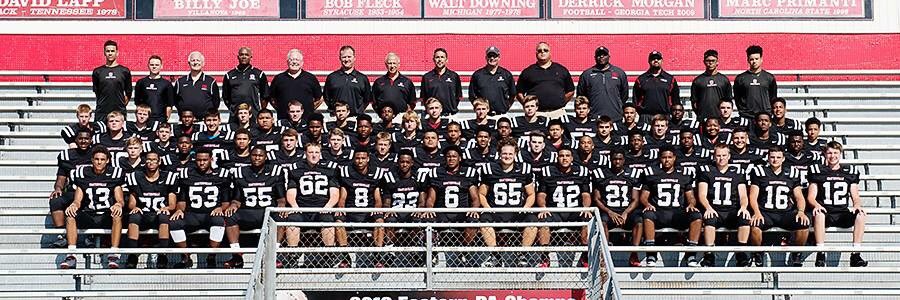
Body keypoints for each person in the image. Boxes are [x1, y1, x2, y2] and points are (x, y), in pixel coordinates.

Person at [60, 146, 125, 269]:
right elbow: (77, 200)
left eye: (102, 159)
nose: (99, 162)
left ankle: (114, 254)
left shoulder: (114, 174)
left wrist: (118, 204)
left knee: (117, 214)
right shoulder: (83, 174)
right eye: (96, 159)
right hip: (89, 213)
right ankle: (71, 254)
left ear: (108, 160)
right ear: (92, 160)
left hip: (106, 214)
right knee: (70, 214)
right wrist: (74, 205)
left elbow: (120, 200)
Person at [223, 146, 288, 269]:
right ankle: (237, 256)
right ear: (250, 156)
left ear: (266, 157)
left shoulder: (275, 171)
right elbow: (237, 198)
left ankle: (273, 255)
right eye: (254, 155)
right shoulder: (240, 172)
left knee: (280, 216)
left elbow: (280, 199)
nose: (257, 158)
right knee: (230, 216)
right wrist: (233, 204)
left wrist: (281, 205)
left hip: (267, 212)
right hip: (248, 211)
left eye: (260, 156)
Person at [807, 141, 868, 267]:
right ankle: (820, 253)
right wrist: (817, 205)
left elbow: (855, 195)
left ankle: (855, 254)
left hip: (842, 213)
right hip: (826, 213)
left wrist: (857, 205)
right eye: (829, 153)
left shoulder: (849, 172)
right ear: (824, 154)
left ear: (840, 154)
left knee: (861, 215)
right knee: (819, 214)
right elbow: (811, 197)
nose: (832, 156)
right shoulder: (817, 171)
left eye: (835, 153)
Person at [479, 138, 538, 267]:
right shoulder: (490, 169)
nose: (507, 156)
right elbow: (481, 194)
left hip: (517, 212)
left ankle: (523, 254)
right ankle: (494, 255)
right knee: (484, 219)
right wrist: (488, 208)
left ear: (515, 154)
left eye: (510, 154)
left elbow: (531, 194)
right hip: (497, 211)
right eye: (504, 153)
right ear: (499, 154)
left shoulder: (524, 169)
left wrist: (526, 207)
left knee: (533, 220)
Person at [640, 146, 703, 267]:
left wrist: (691, 204)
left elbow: (690, 196)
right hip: (659, 212)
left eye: (669, 157)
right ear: (660, 159)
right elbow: (643, 197)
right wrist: (647, 204)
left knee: (696, 216)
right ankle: (651, 253)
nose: (667, 160)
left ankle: (690, 253)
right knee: (647, 214)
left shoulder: (683, 175)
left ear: (674, 158)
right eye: (664, 157)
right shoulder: (652, 174)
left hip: (677, 213)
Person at [748, 146, 809, 267]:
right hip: (765, 212)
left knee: (804, 223)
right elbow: (753, 196)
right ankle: (757, 252)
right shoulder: (759, 172)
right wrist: (756, 212)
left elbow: (799, 197)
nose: (775, 160)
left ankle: (796, 253)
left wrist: (801, 211)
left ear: (783, 159)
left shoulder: (792, 173)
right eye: (772, 157)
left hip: (785, 213)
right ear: (768, 158)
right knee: (754, 225)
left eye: (778, 157)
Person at [171, 148, 231, 268]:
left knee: (219, 221)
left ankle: (211, 256)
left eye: (205, 160)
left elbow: (226, 201)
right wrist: (179, 209)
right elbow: (182, 198)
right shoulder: (187, 174)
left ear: (211, 159)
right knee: (174, 223)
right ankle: (186, 256)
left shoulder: (221, 175)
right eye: (199, 160)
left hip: (211, 214)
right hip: (192, 213)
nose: (202, 163)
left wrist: (221, 208)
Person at [283, 143, 340, 268]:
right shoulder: (296, 169)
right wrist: (294, 206)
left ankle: (329, 255)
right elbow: (291, 192)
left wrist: (328, 207)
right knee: (293, 219)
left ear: (320, 154)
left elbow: (335, 193)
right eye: (311, 152)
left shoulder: (329, 169)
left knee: (327, 219)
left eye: (316, 152)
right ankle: (292, 255)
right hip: (302, 208)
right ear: (305, 153)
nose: (314, 155)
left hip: (322, 208)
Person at [423, 146, 481, 267]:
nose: (451, 159)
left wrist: (474, 208)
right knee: (427, 219)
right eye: (448, 156)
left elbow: (475, 197)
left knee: (473, 220)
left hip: (461, 213)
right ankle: (432, 253)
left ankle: (464, 250)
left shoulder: (468, 173)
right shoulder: (437, 173)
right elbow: (431, 198)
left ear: (460, 158)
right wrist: (429, 208)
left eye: (454, 156)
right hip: (442, 212)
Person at [696, 144, 752, 267]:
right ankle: (709, 254)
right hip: (715, 209)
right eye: (718, 155)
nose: (721, 158)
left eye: (724, 155)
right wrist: (708, 207)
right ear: (714, 156)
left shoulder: (737, 172)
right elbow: (702, 194)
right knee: (709, 218)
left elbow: (743, 195)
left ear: (729, 156)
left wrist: (743, 207)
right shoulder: (707, 171)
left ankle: (741, 254)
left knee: (744, 217)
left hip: (732, 210)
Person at [536, 147, 593, 267]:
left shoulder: (581, 171)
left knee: (586, 219)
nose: (564, 158)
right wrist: (543, 207)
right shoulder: (548, 171)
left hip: (574, 211)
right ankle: (545, 256)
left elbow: (586, 194)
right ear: (557, 158)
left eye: (567, 156)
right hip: (555, 211)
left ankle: (585, 255)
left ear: (572, 158)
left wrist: (586, 207)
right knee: (543, 220)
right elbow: (541, 194)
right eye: (561, 156)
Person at [123, 151, 178, 269]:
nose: (151, 162)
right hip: (144, 213)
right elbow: (132, 202)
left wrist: (167, 208)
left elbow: (172, 204)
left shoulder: (168, 177)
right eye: (148, 159)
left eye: (154, 160)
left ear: (159, 162)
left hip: (158, 213)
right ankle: (132, 255)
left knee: (164, 216)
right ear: (145, 161)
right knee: (134, 216)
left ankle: (162, 255)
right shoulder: (136, 176)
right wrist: (134, 207)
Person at [335, 149, 389, 267]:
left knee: (380, 221)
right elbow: (342, 197)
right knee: (338, 222)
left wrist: (376, 209)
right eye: (358, 158)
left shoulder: (375, 174)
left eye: (363, 158)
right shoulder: (347, 173)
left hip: (367, 212)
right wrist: (341, 209)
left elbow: (378, 198)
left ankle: (377, 256)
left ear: (368, 159)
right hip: (351, 211)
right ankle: (345, 257)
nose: (360, 161)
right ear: (354, 159)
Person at [593, 148, 642, 267]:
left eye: (620, 159)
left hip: (626, 211)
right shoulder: (601, 174)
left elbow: (636, 199)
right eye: (615, 159)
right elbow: (596, 199)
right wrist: (610, 212)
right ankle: (604, 254)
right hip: (608, 210)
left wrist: (626, 212)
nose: (617, 161)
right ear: (610, 160)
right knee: (602, 221)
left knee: (639, 221)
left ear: (624, 160)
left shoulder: (633, 174)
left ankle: (634, 253)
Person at [49, 129, 94, 235]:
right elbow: (61, 177)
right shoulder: (67, 156)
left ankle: (90, 236)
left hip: (92, 192)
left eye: (86, 139)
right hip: (73, 190)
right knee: (56, 200)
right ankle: (62, 234)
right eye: (81, 138)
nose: (83, 141)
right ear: (76, 140)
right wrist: (58, 188)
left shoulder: (96, 154)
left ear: (91, 140)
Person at [517, 42, 575, 119]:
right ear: (536, 53)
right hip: (536, 114)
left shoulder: (561, 70)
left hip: (558, 113)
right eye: (539, 50)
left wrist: (562, 101)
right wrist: (528, 104)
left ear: (550, 53)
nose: (542, 52)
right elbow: (518, 92)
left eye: (545, 50)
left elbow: (571, 91)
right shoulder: (528, 71)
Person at [577, 46, 628, 121]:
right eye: (599, 55)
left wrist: (617, 106)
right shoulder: (587, 74)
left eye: (604, 54)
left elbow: (624, 95)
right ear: (594, 57)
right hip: (593, 117)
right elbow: (581, 97)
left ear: (609, 56)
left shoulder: (619, 73)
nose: (601, 57)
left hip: (615, 117)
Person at [268, 49, 322, 120]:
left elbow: (319, 98)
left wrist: (309, 109)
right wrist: (281, 109)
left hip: (306, 121)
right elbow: (272, 99)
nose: (294, 62)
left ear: (302, 62)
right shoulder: (279, 78)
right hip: (284, 120)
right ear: (287, 62)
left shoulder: (311, 78)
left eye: (297, 59)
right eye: (291, 59)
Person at [223, 47, 269, 124]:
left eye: (246, 55)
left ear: (251, 57)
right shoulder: (229, 75)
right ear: (238, 57)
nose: (244, 57)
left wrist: (259, 110)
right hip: (235, 115)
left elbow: (265, 95)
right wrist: (233, 108)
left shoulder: (259, 74)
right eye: (241, 55)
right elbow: (226, 97)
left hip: (253, 114)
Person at [634, 51, 680, 122]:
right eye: (653, 59)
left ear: (662, 61)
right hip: (646, 116)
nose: (656, 60)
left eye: (658, 59)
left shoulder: (670, 79)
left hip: (664, 116)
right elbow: (636, 99)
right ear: (649, 61)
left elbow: (676, 99)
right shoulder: (641, 79)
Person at [92, 40, 132, 122]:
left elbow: (128, 93)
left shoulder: (124, 71)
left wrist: (119, 104)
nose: (110, 53)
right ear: (104, 53)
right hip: (102, 112)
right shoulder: (97, 72)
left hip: (119, 111)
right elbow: (97, 92)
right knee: (100, 134)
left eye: (112, 51)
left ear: (117, 53)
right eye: (108, 51)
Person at [324, 45, 371, 116]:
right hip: (336, 118)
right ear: (339, 58)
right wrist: (334, 110)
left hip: (356, 117)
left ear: (354, 58)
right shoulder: (332, 77)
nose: (346, 59)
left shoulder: (362, 78)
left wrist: (358, 110)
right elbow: (326, 97)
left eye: (349, 57)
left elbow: (367, 99)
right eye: (344, 57)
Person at [470, 46, 516, 115]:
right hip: (484, 117)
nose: (492, 58)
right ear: (486, 57)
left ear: (499, 57)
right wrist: (480, 109)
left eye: (494, 56)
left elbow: (513, 94)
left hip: (501, 115)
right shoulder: (477, 75)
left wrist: (506, 107)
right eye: (489, 56)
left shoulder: (506, 74)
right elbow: (472, 96)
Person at [734, 45, 777, 118]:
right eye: (751, 59)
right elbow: (737, 99)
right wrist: (743, 111)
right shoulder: (740, 78)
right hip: (747, 116)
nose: (754, 61)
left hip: (765, 116)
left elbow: (773, 97)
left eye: (756, 59)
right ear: (748, 60)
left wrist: (769, 111)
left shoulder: (769, 77)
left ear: (761, 59)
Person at [174, 51, 220, 119]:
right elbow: (175, 100)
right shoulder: (180, 82)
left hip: (204, 122)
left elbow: (216, 102)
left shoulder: (211, 82)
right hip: (185, 122)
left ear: (203, 63)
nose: (195, 63)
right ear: (189, 63)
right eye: (193, 60)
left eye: (198, 60)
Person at [691, 49, 733, 121]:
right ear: (704, 62)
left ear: (717, 62)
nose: (710, 63)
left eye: (713, 61)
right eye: (708, 61)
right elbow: (694, 101)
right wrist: (700, 113)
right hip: (703, 118)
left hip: (720, 118)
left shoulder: (724, 80)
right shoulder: (698, 80)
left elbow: (728, 100)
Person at [421, 48, 463, 116]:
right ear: (433, 59)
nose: (440, 59)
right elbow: (424, 98)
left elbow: (458, 96)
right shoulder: (427, 77)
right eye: (437, 57)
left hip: (450, 114)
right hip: (432, 116)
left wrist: (451, 107)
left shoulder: (454, 76)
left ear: (446, 60)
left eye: (442, 57)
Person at [134, 55, 174, 122]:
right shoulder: (141, 82)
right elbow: (138, 103)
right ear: (148, 65)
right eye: (152, 64)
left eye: (157, 65)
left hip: (160, 119)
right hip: (144, 119)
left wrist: (165, 119)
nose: (154, 67)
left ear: (161, 66)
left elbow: (169, 105)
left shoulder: (167, 84)